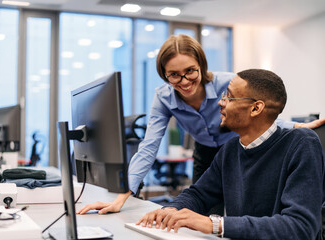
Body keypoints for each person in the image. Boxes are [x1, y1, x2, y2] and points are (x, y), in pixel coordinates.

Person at [77, 34, 325, 215]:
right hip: (206, 153)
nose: (184, 81)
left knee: (247, 208)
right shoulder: (164, 97)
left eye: (190, 71)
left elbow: (260, 110)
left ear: (201, 66)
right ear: (165, 74)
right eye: (173, 75)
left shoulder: (227, 84)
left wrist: (295, 127)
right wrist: (123, 194)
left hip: (237, 149)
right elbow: (149, 146)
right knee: (204, 208)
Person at [136, 69, 325, 240]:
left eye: (229, 97)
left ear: (255, 108)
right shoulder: (231, 149)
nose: (220, 102)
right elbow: (199, 194)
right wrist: (170, 210)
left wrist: (214, 225)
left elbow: (300, 227)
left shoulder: (302, 143)